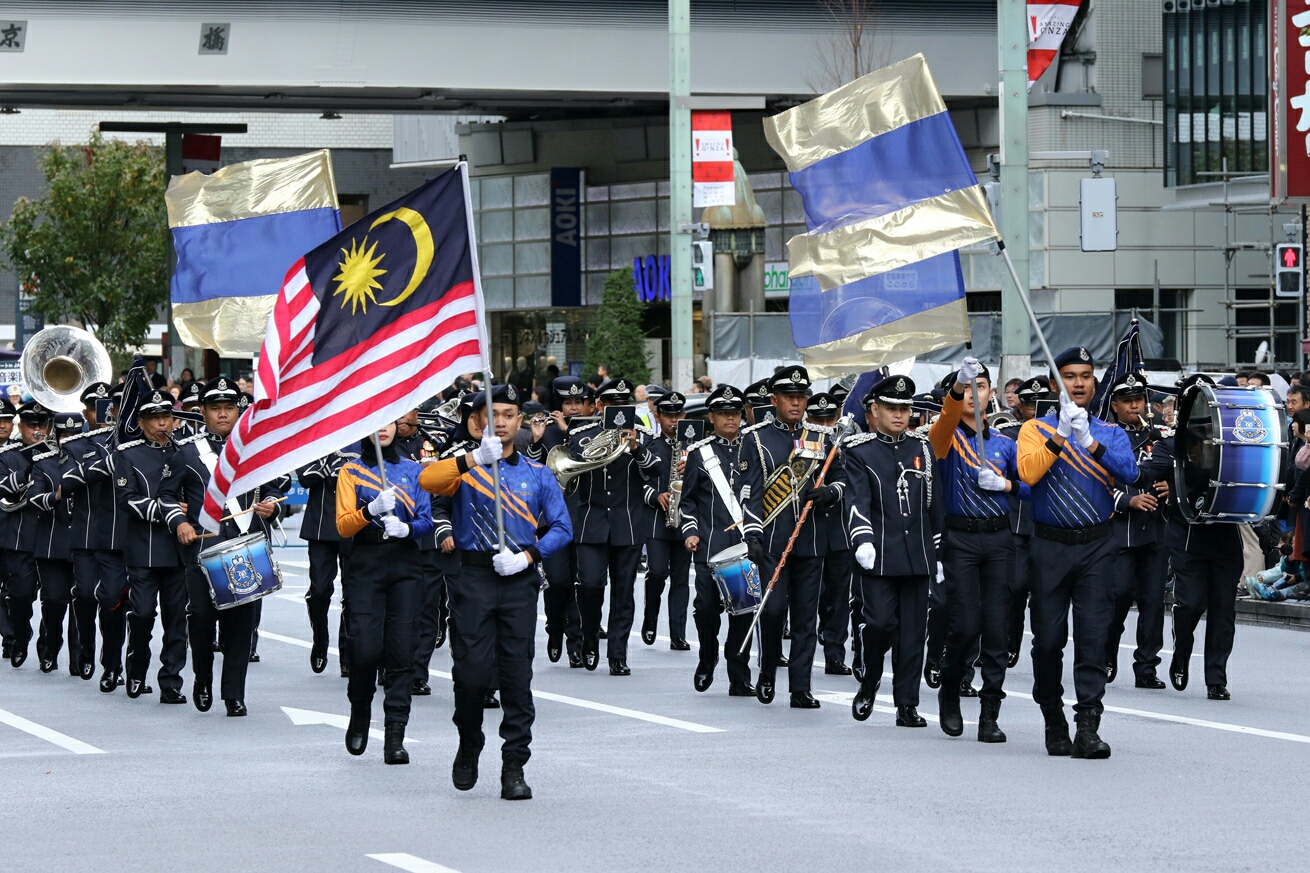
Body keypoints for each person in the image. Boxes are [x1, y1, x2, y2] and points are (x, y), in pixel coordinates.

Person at [420, 383, 572, 800]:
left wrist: (529, 557)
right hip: (472, 579)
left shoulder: (538, 474)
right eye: (493, 414)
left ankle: (514, 766)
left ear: (519, 421)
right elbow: (427, 480)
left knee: (516, 676)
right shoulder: (460, 467)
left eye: (508, 414)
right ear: (478, 421)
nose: (501, 422)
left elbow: (562, 527)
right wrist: (472, 459)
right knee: (469, 676)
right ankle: (469, 741)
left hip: (518, 579)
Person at [1016, 347, 1138, 758]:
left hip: (1097, 546)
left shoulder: (1110, 432)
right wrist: (1063, 436)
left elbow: (1130, 472)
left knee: (1093, 637)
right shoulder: (1034, 429)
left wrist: (1090, 442)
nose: (1079, 383)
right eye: (1070, 376)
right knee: (1048, 640)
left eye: (1086, 375)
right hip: (1049, 546)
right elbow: (1028, 473)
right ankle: (1053, 716)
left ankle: (1088, 725)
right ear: (1055, 383)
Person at [165, 376, 288, 717]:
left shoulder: (256, 449)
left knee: (241, 625)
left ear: (238, 411)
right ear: (202, 411)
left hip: (246, 547)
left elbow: (278, 489)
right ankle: (202, 679)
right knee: (202, 620)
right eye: (215, 408)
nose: (223, 415)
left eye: (229, 408)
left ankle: (234, 693)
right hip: (204, 553)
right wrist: (181, 523)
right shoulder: (188, 453)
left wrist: (273, 506)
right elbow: (166, 497)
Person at [929, 358, 1029, 742]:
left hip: (999, 539)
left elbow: (1032, 486)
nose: (974, 393)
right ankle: (950, 688)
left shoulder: (1005, 443)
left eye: (981, 386)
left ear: (992, 394)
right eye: (968, 387)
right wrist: (958, 385)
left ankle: (990, 714)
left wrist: (1007, 487)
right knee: (965, 626)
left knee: (997, 628)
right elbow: (942, 426)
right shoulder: (945, 437)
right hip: (961, 540)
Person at [335, 418, 434, 764]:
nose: (383, 428)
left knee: (401, 650)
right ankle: (359, 708)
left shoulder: (413, 471)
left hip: (405, 563)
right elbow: (344, 525)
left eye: (390, 421)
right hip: (365, 561)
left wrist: (407, 528)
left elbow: (426, 520)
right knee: (363, 648)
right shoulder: (351, 471)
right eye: (375, 421)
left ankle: (395, 734)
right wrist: (369, 511)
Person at [845, 376, 941, 729]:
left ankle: (907, 704)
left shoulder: (922, 448)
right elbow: (857, 499)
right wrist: (862, 539)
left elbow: (934, 504)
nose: (900, 415)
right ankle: (870, 680)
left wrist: (939, 551)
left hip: (916, 554)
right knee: (880, 624)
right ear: (875, 410)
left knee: (913, 634)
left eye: (904, 409)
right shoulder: (859, 450)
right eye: (892, 408)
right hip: (879, 553)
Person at [750, 366, 840, 709]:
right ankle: (768, 670)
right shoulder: (756, 438)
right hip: (772, 541)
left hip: (811, 539)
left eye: (801, 396)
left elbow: (842, 476)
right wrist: (752, 533)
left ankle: (800, 686)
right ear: (774, 400)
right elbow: (749, 492)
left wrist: (830, 492)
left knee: (805, 617)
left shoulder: (823, 438)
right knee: (772, 611)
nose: (796, 402)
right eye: (790, 396)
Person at [564, 377, 659, 675]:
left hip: (628, 523)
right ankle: (590, 637)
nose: (618, 409)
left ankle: (618, 654)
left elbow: (657, 469)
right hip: (591, 523)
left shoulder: (641, 435)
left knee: (623, 592)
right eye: (612, 404)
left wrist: (635, 449)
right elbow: (569, 474)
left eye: (623, 404)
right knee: (590, 585)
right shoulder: (581, 435)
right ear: (600, 406)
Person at [679, 384, 763, 696]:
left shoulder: (753, 449)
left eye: (735, 413)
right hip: (709, 545)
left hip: (743, 545)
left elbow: (759, 495)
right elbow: (687, 501)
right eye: (723, 413)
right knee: (705, 609)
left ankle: (738, 674)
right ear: (711, 416)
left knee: (743, 612)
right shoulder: (701, 453)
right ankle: (707, 656)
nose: (730, 418)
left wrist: (756, 533)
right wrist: (690, 531)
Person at [1165, 374, 1243, 702]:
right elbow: (1144, 474)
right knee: (1190, 604)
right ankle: (1181, 652)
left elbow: (1251, 486)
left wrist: (1265, 528)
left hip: (1225, 537)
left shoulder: (1234, 444)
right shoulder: (1170, 443)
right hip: (1189, 538)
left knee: (1223, 611)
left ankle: (1216, 678)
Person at [114, 389, 190, 702]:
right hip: (144, 548)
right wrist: (168, 511)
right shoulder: (128, 454)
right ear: (142, 421)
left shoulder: (185, 451)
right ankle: (135, 669)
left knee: (177, 619)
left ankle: (171, 682)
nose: (162, 424)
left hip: (179, 549)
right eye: (154, 418)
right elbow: (126, 499)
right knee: (143, 613)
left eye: (166, 417)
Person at [1102, 372, 1170, 689]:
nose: (1135, 405)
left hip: (1155, 531)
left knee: (1153, 601)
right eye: (1128, 400)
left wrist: (1172, 487)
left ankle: (1146, 667)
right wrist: (1127, 500)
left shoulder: (1161, 437)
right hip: (1120, 532)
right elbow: (1097, 485)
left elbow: (1181, 472)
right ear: (1114, 405)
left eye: (1139, 399)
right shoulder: (1104, 437)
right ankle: (1106, 654)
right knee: (1117, 598)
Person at [524, 376, 588, 667]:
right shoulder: (545, 430)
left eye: (578, 402)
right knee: (558, 580)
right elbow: (530, 470)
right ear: (556, 404)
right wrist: (537, 441)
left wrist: (571, 432)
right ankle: (555, 628)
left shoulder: (590, 431)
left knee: (580, 582)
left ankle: (575, 642)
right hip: (552, 519)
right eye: (567, 403)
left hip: (586, 517)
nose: (573, 408)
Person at [392, 409, 452, 698]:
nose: (403, 419)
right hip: (393, 537)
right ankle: (390, 665)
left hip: (426, 536)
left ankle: (418, 673)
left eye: (408, 412)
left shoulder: (436, 444)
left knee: (428, 608)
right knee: (395, 607)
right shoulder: (383, 446)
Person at [27, 412, 86, 675]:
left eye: (74, 435)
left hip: (83, 543)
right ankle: (49, 647)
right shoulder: (44, 463)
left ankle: (79, 657)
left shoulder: (91, 462)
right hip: (52, 542)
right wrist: (56, 495)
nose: (68, 440)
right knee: (53, 600)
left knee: (81, 602)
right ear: (55, 436)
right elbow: (33, 498)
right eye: (64, 435)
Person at [296, 442, 360, 676]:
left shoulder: (363, 439)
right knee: (320, 590)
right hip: (322, 526)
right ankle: (320, 640)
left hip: (354, 524)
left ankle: (348, 653)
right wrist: (328, 459)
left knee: (353, 594)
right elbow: (305, 477)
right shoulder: (319, 438)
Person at [0, 401, 54, 669]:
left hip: (53, 535)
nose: (37, 431)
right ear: (20, 427)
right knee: (20, 595)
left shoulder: (59, 454)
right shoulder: (8, 455)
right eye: (31, 425)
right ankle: (19, 638)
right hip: (21, 536)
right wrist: (30, 468)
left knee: (55, 598)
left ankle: (48, 648)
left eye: (41, 425)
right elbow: (2, 488)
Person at [805, 392, 855, 678]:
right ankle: (802, 652)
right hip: (807, 529)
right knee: (807, 596)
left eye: (829, 418)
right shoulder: (797, 442)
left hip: (839, 529)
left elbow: (852, 481)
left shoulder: (848, 442)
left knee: (837, 597)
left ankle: (835, 653)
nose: (824, 423)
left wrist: (832, 491)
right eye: (817, 419)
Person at [640, 391, 693, 649]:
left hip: (685, 520)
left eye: (677, 414)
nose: (673, 420)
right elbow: (639, 482)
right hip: (657, 520)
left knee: (681, 578)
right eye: (668, 415)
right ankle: (650, 618)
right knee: (658, 572)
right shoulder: (649, 444)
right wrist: (654, 496)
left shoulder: (692, 446)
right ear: (658, 417)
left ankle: (678, 634)